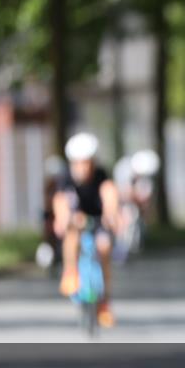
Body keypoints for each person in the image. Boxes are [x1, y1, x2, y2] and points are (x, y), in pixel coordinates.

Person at [53, 132, 120, 327]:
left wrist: (112, 214)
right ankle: (70, 272)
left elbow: (109, 193)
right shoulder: (66, 178)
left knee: (104, 248)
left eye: (87, 162)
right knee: (72, 237)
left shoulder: (101, 175)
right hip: (77, 220)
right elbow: (60, 201)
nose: (83, 167)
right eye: (79, 163)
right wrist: (62, 219)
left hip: (98, 220)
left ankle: (105, 301)